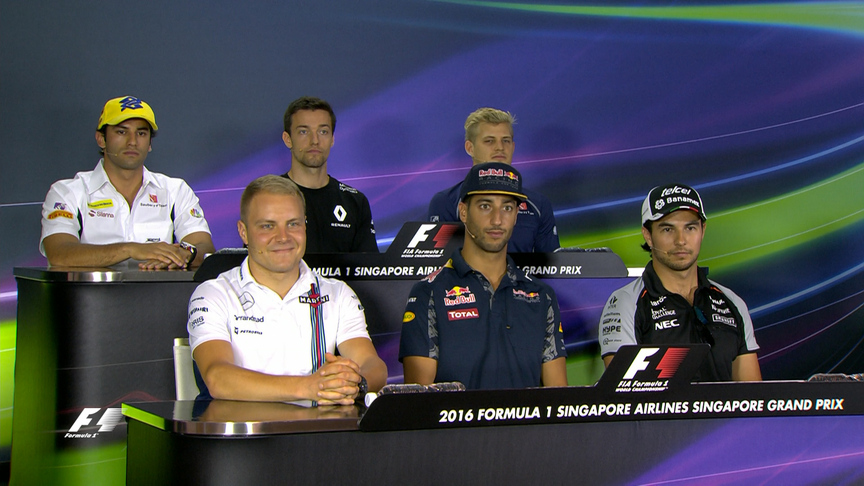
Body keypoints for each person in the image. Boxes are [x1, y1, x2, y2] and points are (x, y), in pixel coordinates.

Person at [188, 175, 387, 404]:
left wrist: (355, 384)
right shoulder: (213, 294)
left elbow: (373, 365)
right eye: (267, 226)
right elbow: (218, 378)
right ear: (243, 232)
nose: (283, 237)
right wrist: (311, 387)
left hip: (320, 426)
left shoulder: (338, 293)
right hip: (241, 427)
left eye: (293, 224)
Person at [400, 162, 568, 390]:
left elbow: (557, 395)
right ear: (463, 212)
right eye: (485, 206)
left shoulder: (541, 296)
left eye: (507, 208)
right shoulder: (429, 292)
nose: (497, 220)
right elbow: (419, 400)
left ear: (516, 215)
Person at [599, 183, 762, 382]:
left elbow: (751, 393)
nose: (681, 240)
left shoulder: (732, 302)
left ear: (703, 230)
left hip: (725, 406)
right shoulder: (625, 302)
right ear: (648, 235)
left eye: (690, 228)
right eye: (668, 229)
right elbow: (623, 393)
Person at [40, 95, 214, 269]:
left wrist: (185, 255)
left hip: (158, 287)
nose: (132, 142)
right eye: (121, 132)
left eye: (141, 133)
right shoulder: (68, 192)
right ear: (101, 139)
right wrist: (130, 249)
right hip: (92, 288)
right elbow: (59, 254)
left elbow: (205, 249)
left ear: (150, 143)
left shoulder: (175, 190)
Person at [426, 107, 559, 253]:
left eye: (506, 141)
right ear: (470, 148)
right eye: (489, 141)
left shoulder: (538, 205)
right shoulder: (446, 202)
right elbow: (441, 263)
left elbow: (551, 264)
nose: (500, 147)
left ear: (513, 147)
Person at [280, 96, 378, 253]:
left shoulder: (355, 202)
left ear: (332, 139)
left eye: (323, 131)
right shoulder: (267, 199)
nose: (315, 140)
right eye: (303, 131)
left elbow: (368, 266)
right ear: (287, 139)